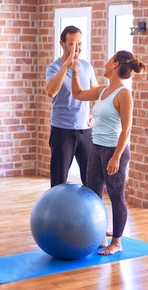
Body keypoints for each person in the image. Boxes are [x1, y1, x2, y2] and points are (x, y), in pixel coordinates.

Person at [70, 46, 146, 255]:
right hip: (97, 148)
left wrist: (116, 157)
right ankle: (100, 234)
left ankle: (117, 242)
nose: (104, 64)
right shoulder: (103, 90)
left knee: (115, 196)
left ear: (115, 64)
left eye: (108, 60)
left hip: (115, 151)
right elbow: (77, 93)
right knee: (93, 193)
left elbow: (127, 128)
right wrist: (75, 71)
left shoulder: (124, 94)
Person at [45, 26, 98, 187]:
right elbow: (51, 92)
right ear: (62, 44)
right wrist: (67, 65)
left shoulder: (87, 67)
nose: (77, 48)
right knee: (59, 179)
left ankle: (91, 212)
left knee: (91, 178)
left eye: (80, 43)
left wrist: (94, 114)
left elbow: (97, 94)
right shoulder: (54, 68)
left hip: (85, 130)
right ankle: (56, 211)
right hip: (62, 131)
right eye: (72, 44)